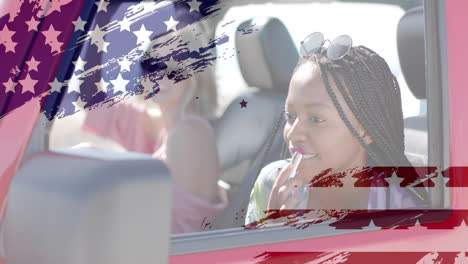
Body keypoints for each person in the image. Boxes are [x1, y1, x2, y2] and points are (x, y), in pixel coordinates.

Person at [246, 33, 428, 225]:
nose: (292, 133)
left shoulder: (399, 208)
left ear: (365, 130)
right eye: (290, 116)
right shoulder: (271, 185)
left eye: (316, 119)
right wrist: (272, 229)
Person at [81, 24, 227, 234]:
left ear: (194, 73)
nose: (160, 76)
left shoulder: (190, 133)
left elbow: (179, 230)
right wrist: (101, 23)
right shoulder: (164, 127)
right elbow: (89, 100)